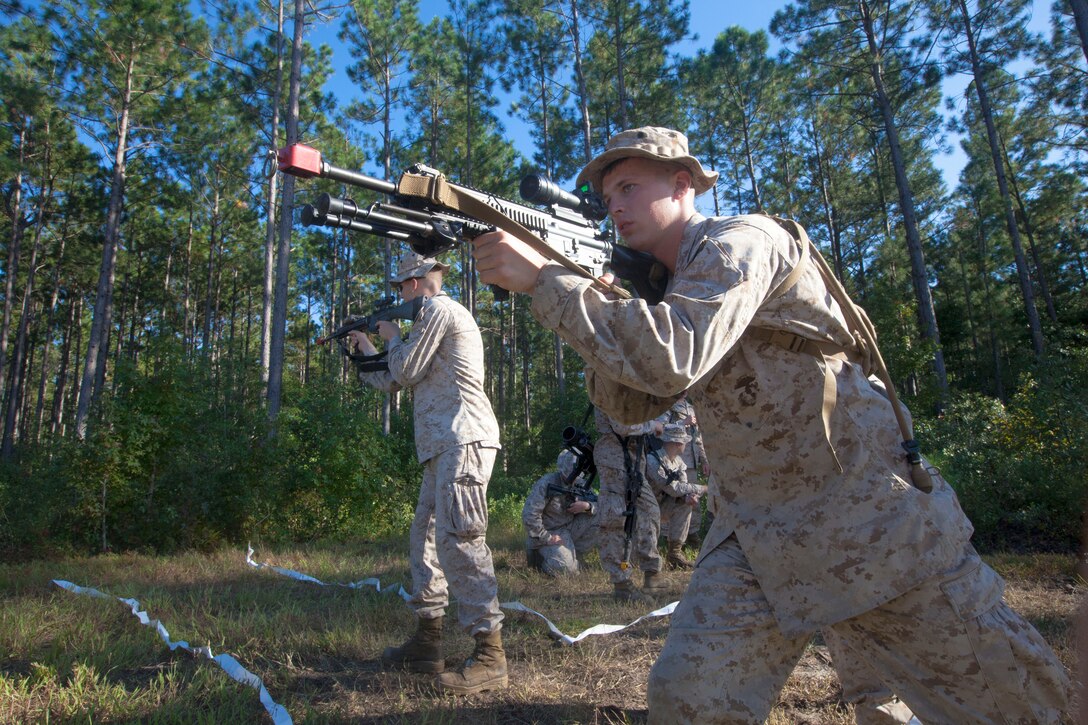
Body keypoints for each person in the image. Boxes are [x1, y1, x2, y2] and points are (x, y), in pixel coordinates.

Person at [469, 126, 1070, 722]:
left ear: (683, 184)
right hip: (754, 531)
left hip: (864, 515)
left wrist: (549, 282)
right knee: (689, 700)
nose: (615, 206)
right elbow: (629, 404)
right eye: (607, 199)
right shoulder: (665, 288)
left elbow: (671, 354)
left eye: (628, 187)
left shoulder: (742, 240)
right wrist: (594, 297)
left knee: (1015, 705)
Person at [346, 251, 506, 696]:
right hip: (442, 446)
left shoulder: (439, 309)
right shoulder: (427, 322)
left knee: (461, 540)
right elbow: (394, 379)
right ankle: (427, 644)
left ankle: (491, 655)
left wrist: (393, 336)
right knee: (426, 539)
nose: (398, 294)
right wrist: (366, 351)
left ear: (415, 282)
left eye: (400, 286)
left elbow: (407, 367)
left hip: (464, 439)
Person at [592, 407, 666, 603]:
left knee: (649, 511)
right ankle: (622, 584)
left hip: (632, 457)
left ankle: (652, 574)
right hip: (614, 457)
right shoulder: (611, 381)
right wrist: (653, 425)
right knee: (616, 518)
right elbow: (623, 425)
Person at [522, 449, 599, 576]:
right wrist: (547, 538)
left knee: (601, 517)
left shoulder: (581, 483)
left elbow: (602, 504)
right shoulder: (546, 483)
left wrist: (587, 506)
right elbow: (529, 515)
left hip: (569, 529)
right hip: (548, 532)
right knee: (567, 570)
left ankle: (574, 557)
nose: (573, 479)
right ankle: (539, 560)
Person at [645, 424, 707, 569]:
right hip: (644, 508)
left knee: (686, 504)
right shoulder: (652, 459)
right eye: (684, 441)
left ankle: (674, 554)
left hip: (662, 506)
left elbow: (683, 487)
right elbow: (673, 488)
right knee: (638, 556)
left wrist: (689, 496)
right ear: (678, 443)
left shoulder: (679, 462)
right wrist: (703, 488)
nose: (685, 444)